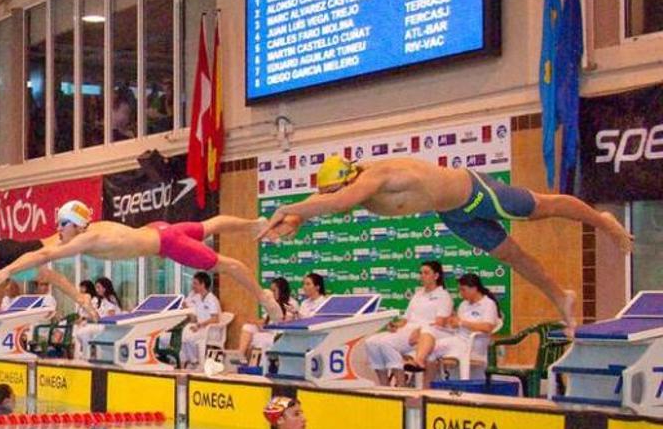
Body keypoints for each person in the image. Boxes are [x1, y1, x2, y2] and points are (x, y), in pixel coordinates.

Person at [260, 156, 634, 332]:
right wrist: (294, 219)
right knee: (513, 256)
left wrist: (288, 207)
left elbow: (337, 202)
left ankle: (604, 221)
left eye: (333, 189)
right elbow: (328, 202)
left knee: (544, 207)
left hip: (475, 192)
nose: (330, 197)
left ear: (347, 179)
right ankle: (560, 297)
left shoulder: (376, 177)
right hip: (454, 214)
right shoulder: (352, 192)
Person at [0, 201, 280, 321]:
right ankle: (253, 222)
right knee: (211, 225)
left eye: (62, 225)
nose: (58, 231)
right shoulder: (88, 232)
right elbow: (43, 253)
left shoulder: (87, 238)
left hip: (168, 243)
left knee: (229, 265)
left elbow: (43, 254)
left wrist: (5, 273)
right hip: (157, 231)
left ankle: (262, 296)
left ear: (76, 225)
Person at [364, 261, 454, 386]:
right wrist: (396, 326)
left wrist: (421, 330)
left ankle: (401, 385)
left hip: (423, 334)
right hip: (407, 330)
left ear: (436, 276)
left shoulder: (443, 296)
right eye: (420, 273)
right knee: (371, 342)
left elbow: (440, 323)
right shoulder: (418, 294)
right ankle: (383, 386)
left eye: (426, 273)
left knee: (385, 343)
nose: (422, 276)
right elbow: (405, 319)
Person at [405, 273, 501, 373]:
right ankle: (421, 369)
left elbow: (488, 327)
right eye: (460, 290)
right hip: (457, 340)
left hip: (472, 344)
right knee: (428, 333)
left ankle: (416, 360)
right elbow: (456, 326)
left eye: (463, 290)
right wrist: (450, 323)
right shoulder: (464, 304)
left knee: (428, 348)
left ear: (474, 288)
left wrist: (462, 323)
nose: (461, 293)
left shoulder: (488, 304)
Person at [233, 277, 299, 365]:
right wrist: (254, 322)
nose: (272, 293)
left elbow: (287, 321)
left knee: (261, 338)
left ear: (281, 290)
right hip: (269, 329)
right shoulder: (271, 303)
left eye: (274, 290)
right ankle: (241, 355)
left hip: (280, 333)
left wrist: (267, 325)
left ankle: (262, 365)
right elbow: (265, 321)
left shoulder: (291, 303)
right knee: (247, 327)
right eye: (271, 290)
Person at [71, 278, 123, 360]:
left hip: (109, 327)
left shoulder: (111, 299)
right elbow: (97, 316)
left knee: (83, 332)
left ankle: (86, 356)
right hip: (100, 325)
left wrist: (95, 318)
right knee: (80, 331)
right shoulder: (102, 300)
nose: (97, 290)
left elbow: (110, 317)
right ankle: (83, 355)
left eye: (99, 287)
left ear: (105, 288)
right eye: (96, 288)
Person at [178, 272, 222, 370]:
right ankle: (192, 362)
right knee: (185, 333)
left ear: (203, 285)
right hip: (200, 328)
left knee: (189, 337)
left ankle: (197, 362)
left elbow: (215, 318)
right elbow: (194, 318)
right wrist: (186, 310)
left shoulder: (211, 299)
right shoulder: (197, 298)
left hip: (211, 330)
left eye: (195, 283)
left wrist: (199, 325)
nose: (193, 286)